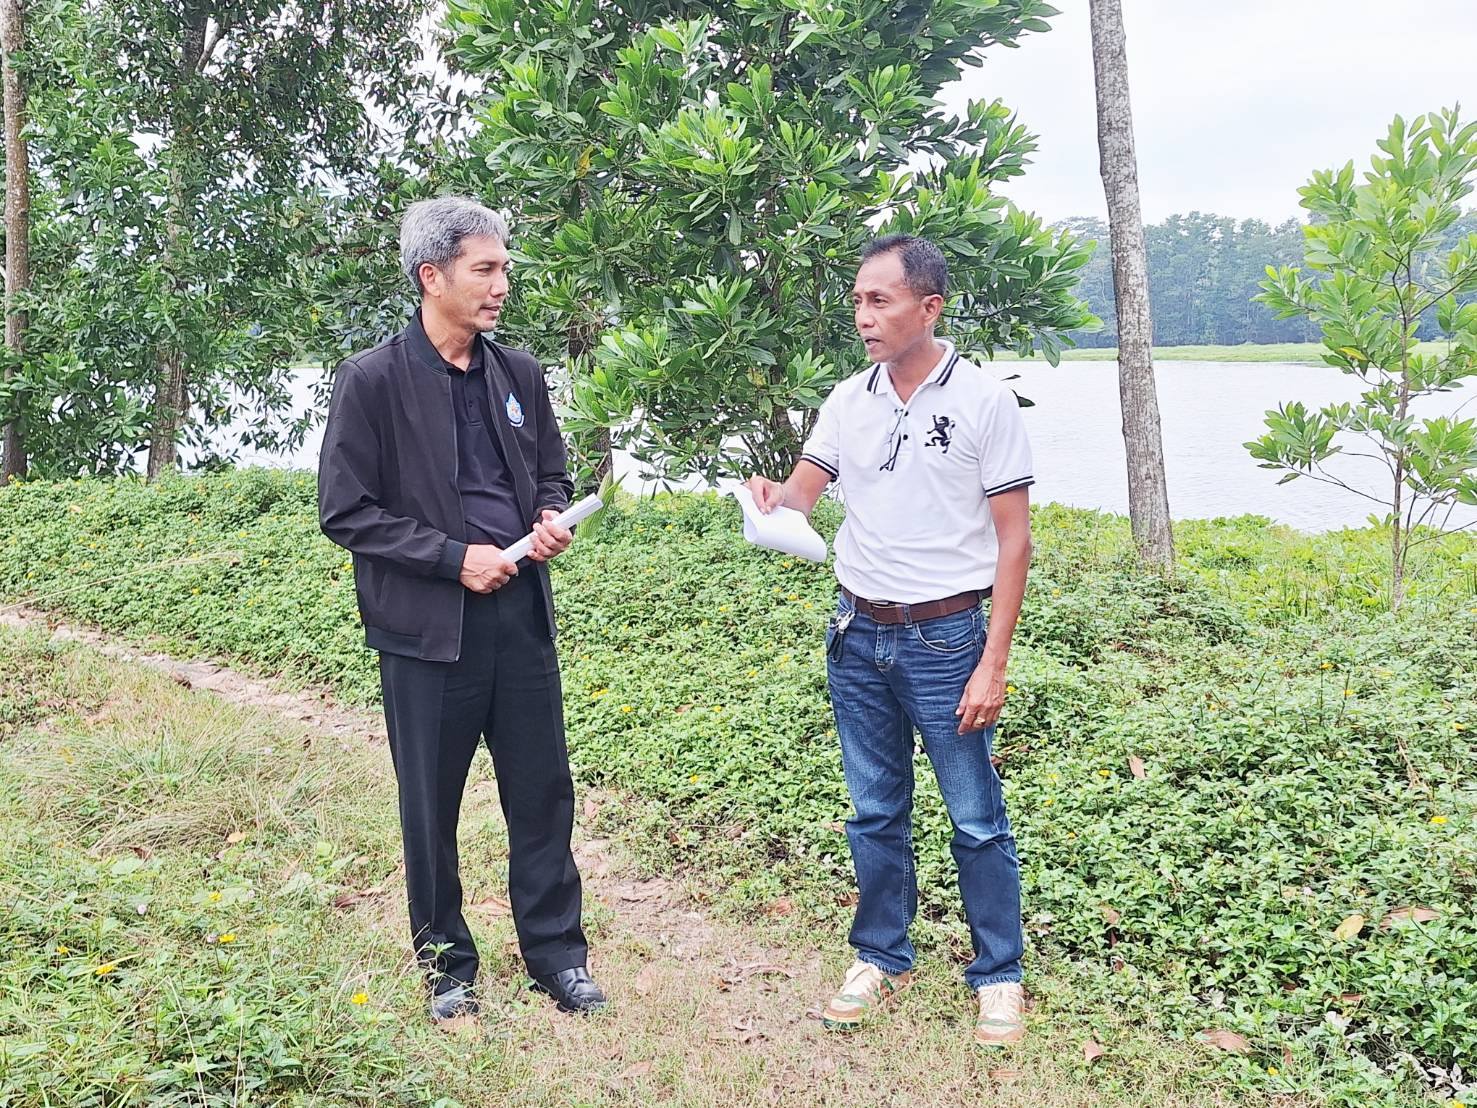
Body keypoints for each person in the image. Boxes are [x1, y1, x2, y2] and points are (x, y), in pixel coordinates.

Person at [318, 197, 604, 1022]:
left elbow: (549, 470)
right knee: (430, 803)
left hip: (520, 616)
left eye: (504, 268)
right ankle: (446, 966)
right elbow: (346, 511)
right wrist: (453, 559)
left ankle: (557, 955)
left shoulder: (518, 373)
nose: (501, 284)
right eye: (485, 269)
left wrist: (547, 516)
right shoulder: (372, 380)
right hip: (425, 631)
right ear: (431, 276)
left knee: (542, 792)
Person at [745, 234, 1034, 1046]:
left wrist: (992, 663)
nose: (863, 316)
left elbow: (1014, 540)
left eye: (880, 300)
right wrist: (772, 496)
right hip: (856, 633)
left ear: (928, 306)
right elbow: (803, 495)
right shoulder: (848, 399)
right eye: (857, 301)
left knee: (975, 816)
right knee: (874, 810)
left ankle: (998, 973)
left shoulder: (982, 402)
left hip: (945, 638)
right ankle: (880, 956)